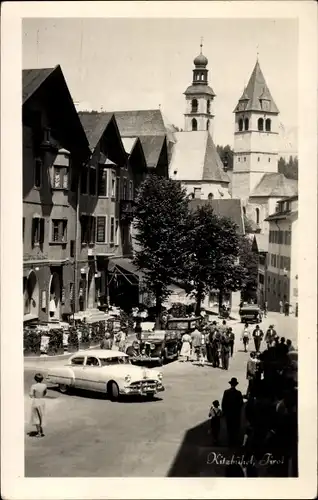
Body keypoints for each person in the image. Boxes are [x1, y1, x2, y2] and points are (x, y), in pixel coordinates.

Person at [222, 377, 243, 447]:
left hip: (229, 413)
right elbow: (241, 404)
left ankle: (230, 441)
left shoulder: (226, 392)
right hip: (236, 414)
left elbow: (223, 403)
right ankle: (234, 441)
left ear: (230, 384)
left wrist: (224, 412)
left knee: (230, 427)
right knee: (235, 428)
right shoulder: (239, 393)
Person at [29, 373, 47, 437]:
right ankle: (41, 429)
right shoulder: (44, 385)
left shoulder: (33, 386)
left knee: (36, 417)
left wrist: (34, 394)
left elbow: (31, 395)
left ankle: (39, 432)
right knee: (41, 415)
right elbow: (45, 393)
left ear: (35, 379)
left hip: (36, 401)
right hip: (42, 401)